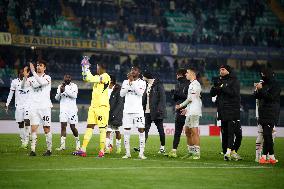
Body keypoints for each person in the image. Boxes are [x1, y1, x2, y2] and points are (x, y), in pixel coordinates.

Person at [73, 58, 110, 158]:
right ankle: (83, 149)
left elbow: (90, 78)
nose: (96, 68)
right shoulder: (97, 77)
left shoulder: (106, 77)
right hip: (93, 106)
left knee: (102, 129)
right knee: (89, 126)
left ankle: (102, 151)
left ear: (102, 67)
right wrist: (84, 68)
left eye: (97, 67)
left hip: (102, 107)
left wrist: (86, 67)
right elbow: (86, 78)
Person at [210, 65, 241, 161]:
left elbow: (233, 93)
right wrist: (215, 87)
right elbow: (212, 94)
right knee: (225, 133)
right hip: (222, 111)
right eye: (220, 70)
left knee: (237, 134)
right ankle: (227, 153)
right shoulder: (220, 81)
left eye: (223, 69)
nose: (221, 71)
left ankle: (231, 151)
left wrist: (222, 88)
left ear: (228, 70)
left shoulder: (234, 80)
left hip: (232, 111)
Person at [23, 60, 53, 156]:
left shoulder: (47, 78)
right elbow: (23, 86)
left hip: (45, 107)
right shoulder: (31, 78)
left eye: (41, 65)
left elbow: (41, 82)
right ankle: (32, 150)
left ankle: (49, 150)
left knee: (46, 128)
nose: (38, 67)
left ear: (44, 68)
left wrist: (33, 72)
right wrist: (25, 77)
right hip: (34, 107)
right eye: (37, 65)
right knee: (33, 128)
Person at [254, 68, 280, 164]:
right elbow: (257, 96)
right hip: (263, 112)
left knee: (268, 134)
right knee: (267, 134)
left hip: (271, 112)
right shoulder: (263, 84)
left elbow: (271, 98)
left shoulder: (276, 85)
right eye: (261, 74)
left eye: (263, 74)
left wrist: (261, 89)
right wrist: (257, 90)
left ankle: (265, 156)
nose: (262, 76)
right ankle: (270, 157)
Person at [120, 66, 147, 159]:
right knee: (126, 131)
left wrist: (132, 83)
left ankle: (141, 153)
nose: (133, 71)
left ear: (138, 72)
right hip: (127, 111)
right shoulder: (125, 82)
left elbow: (140, 93)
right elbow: (121, 94)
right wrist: (129, 83)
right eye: (132, 70)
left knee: (141, 130)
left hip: (138, 111)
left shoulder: (142, 82)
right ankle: (127, 153)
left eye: (135, 70)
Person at [176, 68, 202, 159]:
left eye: (187, 72)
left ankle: (197, 153)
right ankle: (191, 152)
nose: (185, 74)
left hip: (194, 111)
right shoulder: (191, 84)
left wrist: (181, 105)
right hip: (190, 110)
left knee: (194, 131)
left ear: (192, 74)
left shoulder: (196, 84)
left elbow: (191, 99)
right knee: (187, 131)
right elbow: (192, 100)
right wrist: (186, 109)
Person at [140, 71, 167, 154]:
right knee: (145, 129)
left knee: (160, 129)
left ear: (146, 76)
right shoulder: (146, 85)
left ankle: (162, 147)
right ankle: (142, 147)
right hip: (147, 111)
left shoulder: (158, 84)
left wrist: (159, 109)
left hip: (157, 111)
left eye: (143, 76)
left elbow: (162, 98)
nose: (142, 77)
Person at [6, 67, 31, 149]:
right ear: (18, 73)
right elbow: (11, 94)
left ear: (26, 73)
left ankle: (27, 140)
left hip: (28, 105)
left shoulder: (30, 81)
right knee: (20, 123)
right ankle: (23, 140)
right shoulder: (14, 82)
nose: (22, 73)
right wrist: (7, 104)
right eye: (20, 71)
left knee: (27, 121)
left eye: (23, 72)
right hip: (19, 106)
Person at [167, 68, 190, 158]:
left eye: (178, 74)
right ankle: (174, 150)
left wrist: (177, 94)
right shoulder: (178, 84)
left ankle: (190, 151)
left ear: (181, 75)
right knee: (179, 131)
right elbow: (176, 98)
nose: (176, 76)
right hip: (179, 109)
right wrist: (174, 95)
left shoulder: (189, 84)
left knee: (187, 132)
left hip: (187, 110)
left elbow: (188, 97)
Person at [55, 74, 80, 151]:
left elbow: (74, 95)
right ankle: (62, 146)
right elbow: (57, 98)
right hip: (63, 110)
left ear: (71, 78)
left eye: (69, 77)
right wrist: (60, 92)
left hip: (72, 110)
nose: (67, 78)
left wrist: (65, 90)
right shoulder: (60, 86)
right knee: (63, 126)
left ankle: (78, 143)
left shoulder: (74, 86)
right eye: (66, 77)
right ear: (64, 78)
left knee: (72, 127)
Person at [105, 75, 124, 154]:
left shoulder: (118, 89)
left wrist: (115, 114)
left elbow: (120, 103)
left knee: (117, 131)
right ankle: (107, 148)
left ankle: (118, 147)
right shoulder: (105, 89)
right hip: (107, 112)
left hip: (116, 113)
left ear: (111, 81)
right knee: (108, 130)